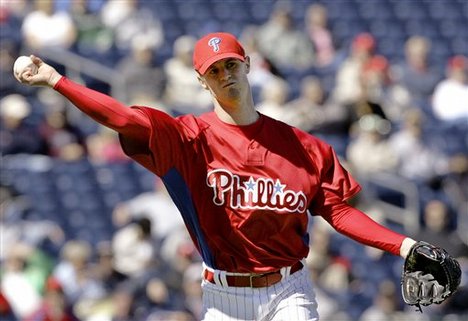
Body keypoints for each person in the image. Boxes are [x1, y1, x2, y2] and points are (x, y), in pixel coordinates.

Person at [15, 32, 445, 321]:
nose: (226, 76)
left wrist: (405, 245)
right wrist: (57, 80)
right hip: (223, 297)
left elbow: (338, 211)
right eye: (215, 71)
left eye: (231, 66)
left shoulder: (304, 146)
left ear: (248, 65)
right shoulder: (186, 138)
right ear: (202, 81)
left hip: (288, 288)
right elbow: (123, 118)